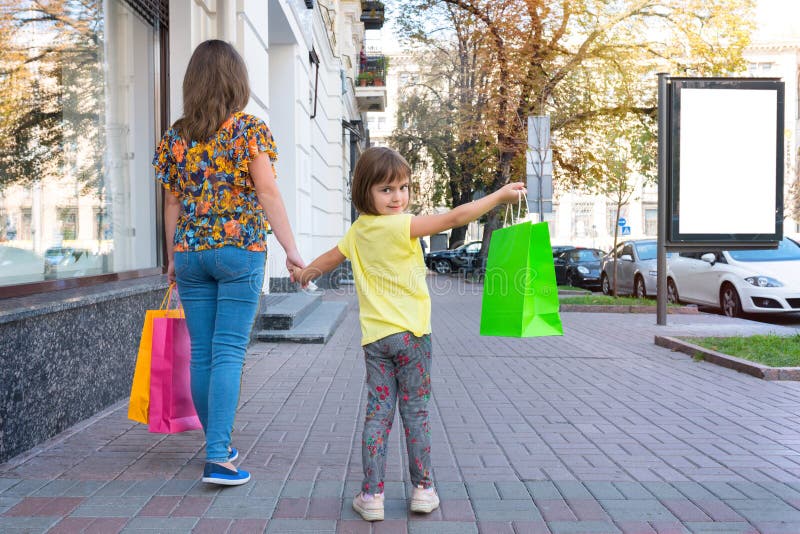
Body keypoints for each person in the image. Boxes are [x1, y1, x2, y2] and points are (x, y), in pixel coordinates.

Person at [290, 146, 525, 521]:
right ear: (365, 191)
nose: (397, 196)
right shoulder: (403, 225)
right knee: (415, 412)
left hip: (376, 340)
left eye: (403, 187)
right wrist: (499, 195)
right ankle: (423, 490)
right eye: (386, 189)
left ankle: (371, 496)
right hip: (413, 337)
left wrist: (302, 274)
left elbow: (328, 260)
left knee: (377, 415)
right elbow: (457, 216)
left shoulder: (357, 232)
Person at [153, 40, 304, 487]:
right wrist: (291, 249)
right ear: (236, 82)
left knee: (204, 352)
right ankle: (219, 456)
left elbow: (171, 203)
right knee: (228, 353)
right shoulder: (248, 129)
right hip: (239, 252)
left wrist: (172, 257)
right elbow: (267, 192)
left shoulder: (175, 137)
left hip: (192, 253)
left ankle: (218, 444)